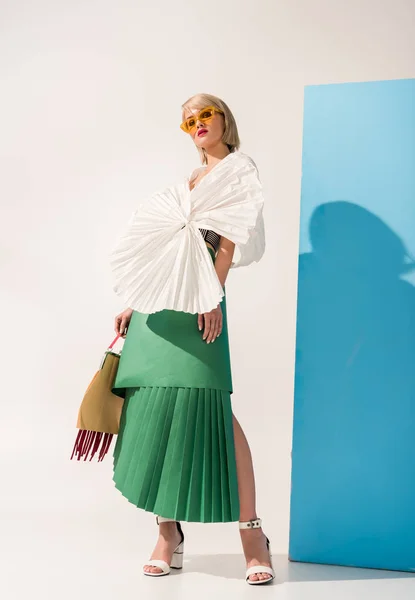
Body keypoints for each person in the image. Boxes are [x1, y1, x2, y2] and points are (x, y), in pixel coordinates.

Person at [109, 93, 274, 585]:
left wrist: (211, 295)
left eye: (205, 114)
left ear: (223, 118)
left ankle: (252, 534)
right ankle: (168, 532)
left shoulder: (239, 169)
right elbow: (166, 255)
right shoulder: (188, 181)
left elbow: (228, 239)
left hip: (202, 301)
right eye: (188, 121)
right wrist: (134, 303)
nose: (197, 124)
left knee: (214, 412)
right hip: (157, 309)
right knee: (151, 413)